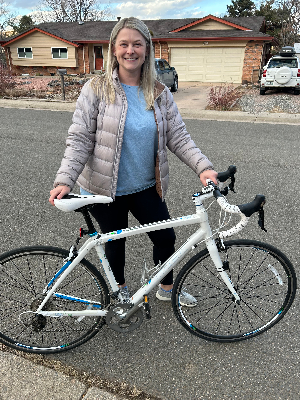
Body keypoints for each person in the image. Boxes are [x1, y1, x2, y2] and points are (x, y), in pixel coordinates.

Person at [49, 17, 218, 306]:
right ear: (113, 50)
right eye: (124, 44)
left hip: (145, 187)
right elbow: (79, 140)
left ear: (147, 50)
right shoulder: (96, 90)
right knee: (115, 245)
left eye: (137, 44)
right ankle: (121, 292)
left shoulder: (159, 93)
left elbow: (178, 136)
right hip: (104, 189)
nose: (131, 50)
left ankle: (166, 288)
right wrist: (65, 179)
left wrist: (203, 167)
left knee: (165, 238)